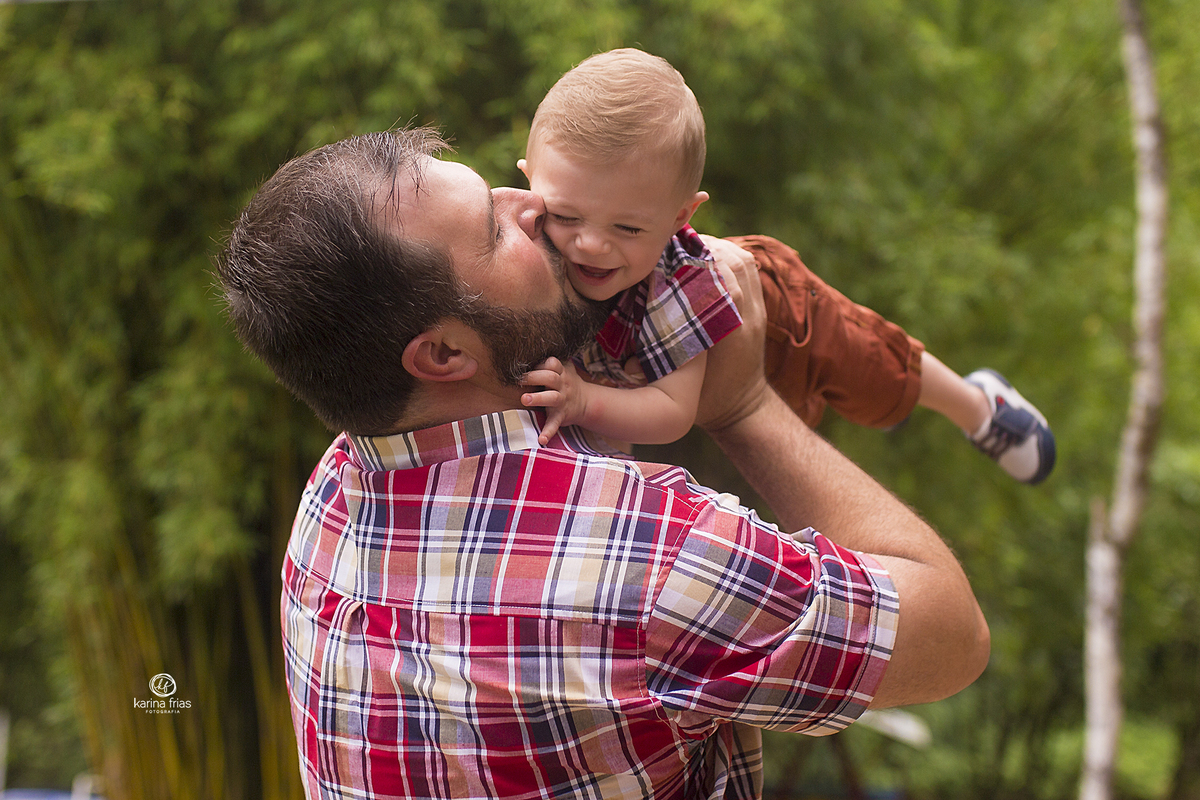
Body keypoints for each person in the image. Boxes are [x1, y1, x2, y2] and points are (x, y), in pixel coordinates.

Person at [217, 126, 989, 799]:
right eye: (494, 230)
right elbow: (953, 637)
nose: (532, 207)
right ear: (446, 354)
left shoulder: (337, 493)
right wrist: (743, 404)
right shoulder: (653, 557)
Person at [516, 48, 1056, 485]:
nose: (589, 246)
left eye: (628, 229)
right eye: (566, 215)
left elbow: (671, 411)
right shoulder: (520, 241)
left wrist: (583, 400)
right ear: (527, 184)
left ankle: (979, 407)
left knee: (876, 379)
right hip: (670, 371)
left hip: (782, 320)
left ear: (682, 216)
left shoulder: (674, 288)